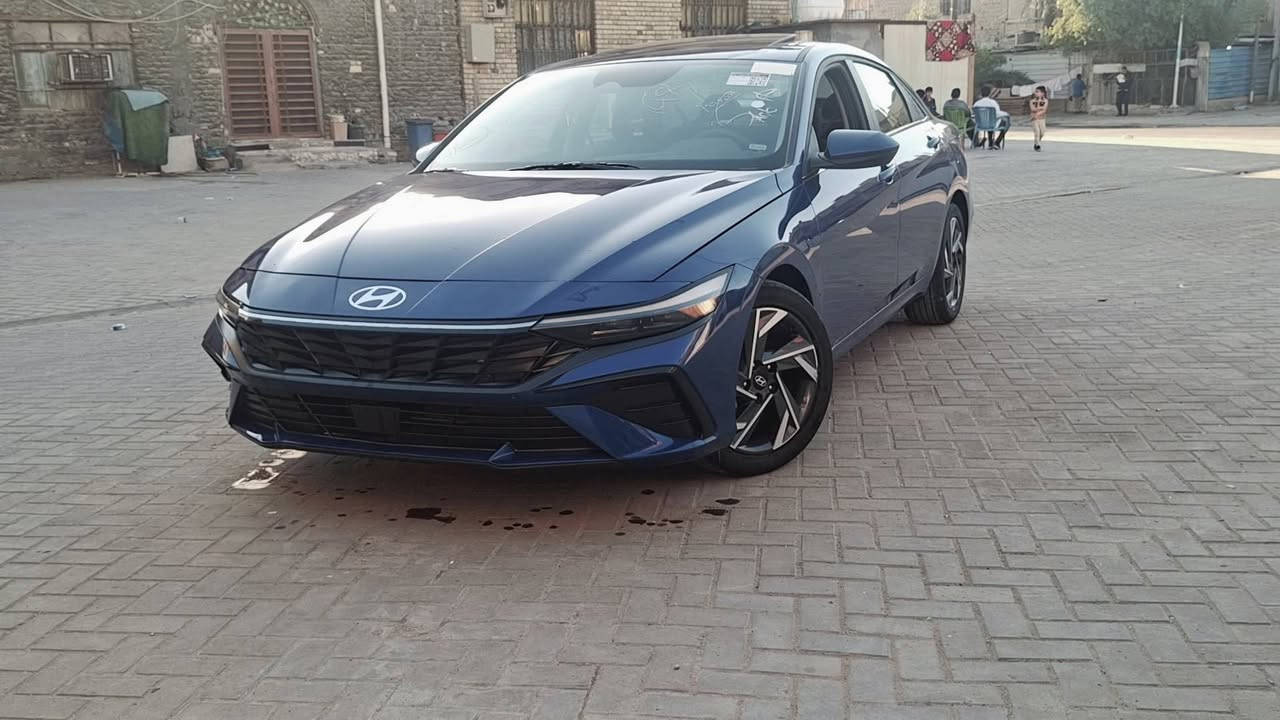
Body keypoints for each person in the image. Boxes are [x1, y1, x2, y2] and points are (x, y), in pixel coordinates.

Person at [973, 86, 1009, 150]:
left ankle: (990, 142)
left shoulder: (976, 104)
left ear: (981, 93)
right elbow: (997, 114)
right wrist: (1006, 114)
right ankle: (997, 142)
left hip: (980, 125)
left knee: (989, 120)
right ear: (989, 93)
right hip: (992, 124)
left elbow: (974, 114)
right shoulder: (993, 103)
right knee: (1006, 122)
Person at [1029, 85, 1048, 151]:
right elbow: (1032, 109)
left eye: (1037, 92)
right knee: (1037, 132)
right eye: (1035, 92)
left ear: (1042, 93)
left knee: (1042, 132)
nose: (1035, 93)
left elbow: (1044, 110)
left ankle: (1036, 142)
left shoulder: (1045, 100)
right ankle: (1037, 146)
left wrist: (1037, 113)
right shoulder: (1032, 101)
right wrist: (1040, 108)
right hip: (1034, 119)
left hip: (1042, 118)